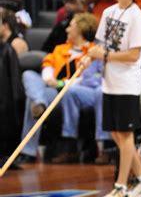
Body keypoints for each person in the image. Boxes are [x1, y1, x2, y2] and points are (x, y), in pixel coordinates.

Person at [86, 0, 141, 197]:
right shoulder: (108, 12)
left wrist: (104, 55)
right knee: (117, 134)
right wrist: (91, 56)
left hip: (127, 83)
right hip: (109, 82)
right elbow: (99, 45)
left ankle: (121, 186)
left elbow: (133, 54)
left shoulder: (136, 16)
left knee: (126, 135)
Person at [17, 12, 97, 164]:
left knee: (31, 100)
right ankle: (39, 103)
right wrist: (49, 79)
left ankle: (29, 151)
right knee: (29, 75)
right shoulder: (60, 48)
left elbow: (87, 80)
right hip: (51, 91)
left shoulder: (93, 51)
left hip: (70, 94)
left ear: (81, 29)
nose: (66, 30)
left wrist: (62, 84)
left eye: (71, 27)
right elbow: (48, 64)